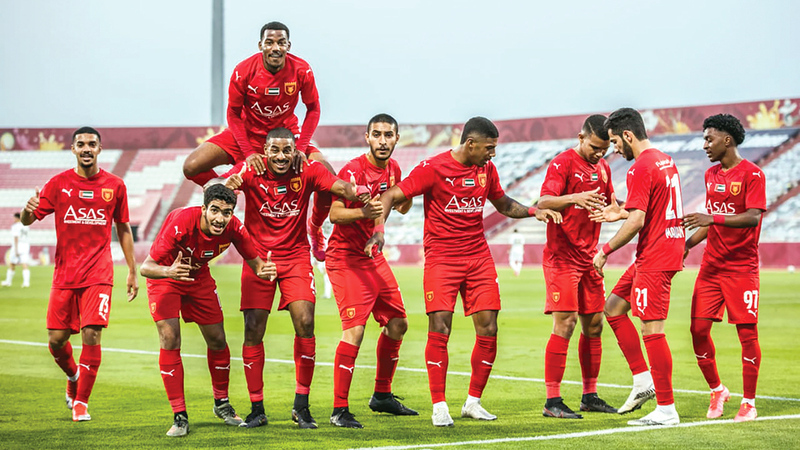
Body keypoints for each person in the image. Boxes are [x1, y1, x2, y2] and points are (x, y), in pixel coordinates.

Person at [370, 117, 561, 427]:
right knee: (440, 328)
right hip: (442, 259)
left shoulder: (487, 169)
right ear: (470, 144)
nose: (492, 154)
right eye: (489, 148)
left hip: (478, 257)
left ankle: (473, 402)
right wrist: (380, 231)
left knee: (489, 327)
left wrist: (532, 211)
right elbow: (390, 195)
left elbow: (502, 203)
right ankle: (439, 405)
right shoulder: (433, 168)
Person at [223, 127, 371, 429]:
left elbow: (339, 186)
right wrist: (229, 184)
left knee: (305, 322)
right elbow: (219, 192)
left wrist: (358, 192)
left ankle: (301, 407)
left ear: (295, 151)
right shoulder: (251, 169)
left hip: (295, 256)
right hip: (259, 259)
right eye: (275, 150)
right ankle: (256, 409)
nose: (281, 156)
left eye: (287, 150)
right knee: (253, 329)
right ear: (265, 151)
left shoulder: (308, 169)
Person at [183, 21, 333, 261]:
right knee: (191, 166)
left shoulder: (302, 70)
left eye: (281, 43)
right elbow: (233, 114)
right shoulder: (243, 71)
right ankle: (227, 196)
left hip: (285, 139)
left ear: (288, 46)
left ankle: (314, 228)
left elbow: (313, 109)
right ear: (260, 45)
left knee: (328, 176)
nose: (275, 47)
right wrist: (248, 153)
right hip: (246, 136)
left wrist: (301, 148)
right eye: (270, 42)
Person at [20, 127, 139, 422]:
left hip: (99, 272)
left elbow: (123, 228)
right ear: (73, 149)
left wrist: (132, 270)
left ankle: (81, 403)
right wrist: (27, 210)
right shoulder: (58, 184)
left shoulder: (115, 185)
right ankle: (73, 376)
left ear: (100, 149)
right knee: (56, 340)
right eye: (81, 144)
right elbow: (27, 221)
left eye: (92, 144)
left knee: (92, 333)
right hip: (65, 274)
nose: (87, 148)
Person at [140, 184, 277, 437]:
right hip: (167, 276)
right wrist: (169, 271)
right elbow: (146, 267)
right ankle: (180, 416)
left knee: (217, 340)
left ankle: (221, 404)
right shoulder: (182, 222)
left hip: (198, 277)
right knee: (170, 338)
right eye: (214, 210)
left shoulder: (234, 228)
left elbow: (257, 263)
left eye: (226, 212)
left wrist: (265, 270)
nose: (220, 218)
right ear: (204, 209)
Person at [591, 108, 685, 426]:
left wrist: (605, 251)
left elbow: (638, 220)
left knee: (651, 330)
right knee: (614, 307)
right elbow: (649, 207)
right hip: (662, 249)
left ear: (628, 135)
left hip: (656, 255)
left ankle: (667, 409)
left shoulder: (641, 166)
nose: (616, 149)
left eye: (616, 142)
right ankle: (643, 380)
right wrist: (623, 212)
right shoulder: (664, 160)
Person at [326, 113, 417, 429]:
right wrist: (363, 212)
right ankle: (339, 410)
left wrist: (407, 196)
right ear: (367, 137)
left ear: (396, 139)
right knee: (355, 330)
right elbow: (335, 214)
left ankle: (382, 395)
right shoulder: (352, 170)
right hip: (345, 258)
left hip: (373, 256)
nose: (382, 140)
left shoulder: (394, 169)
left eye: (388, 135)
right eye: (376, 134)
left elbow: (400, 205)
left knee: (398, 323)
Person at [683, 114, 765, 422]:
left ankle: (749, 403)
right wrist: (688, 244)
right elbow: (711, 221)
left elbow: (753, 217)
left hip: (742, 269)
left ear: (726, 140)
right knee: (698, 330)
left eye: (709, 139)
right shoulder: (711, 174)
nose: (705, 145)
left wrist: (712, 218)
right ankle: (717, 390)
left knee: (747, 334)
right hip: (711, 268)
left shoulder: (753, 174)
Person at [536, 114, 617, 419]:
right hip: (562, 257)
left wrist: (621, 209)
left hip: (588, 258)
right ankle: (552, 401)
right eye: (595, 147)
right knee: (566, 323)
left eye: (604, 149)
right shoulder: (563, 163)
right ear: (581, 138)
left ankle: (589, 395)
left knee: (594, 324)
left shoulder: (604, 167)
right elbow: (544, 201)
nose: (599, 153)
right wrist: (575, 198)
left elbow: (611, 203)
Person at [2, 212, 31, 287]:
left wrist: (16, 249)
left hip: (18, 245)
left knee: (12, 263)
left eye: (14, 218)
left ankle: (8, 281)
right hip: (25, 245)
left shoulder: (15, 226)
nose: (13, 219)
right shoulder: (26, 225)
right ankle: (26, 282)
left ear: (17, 218)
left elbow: (16, 237)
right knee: (24, 263)